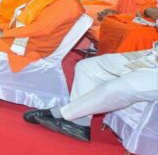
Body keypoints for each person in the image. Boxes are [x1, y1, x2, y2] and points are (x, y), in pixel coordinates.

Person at [23, 48, 157, 142]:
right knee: (87, 67)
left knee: (116, 89)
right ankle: (79, 123)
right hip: (152, 56)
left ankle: (62, 113)